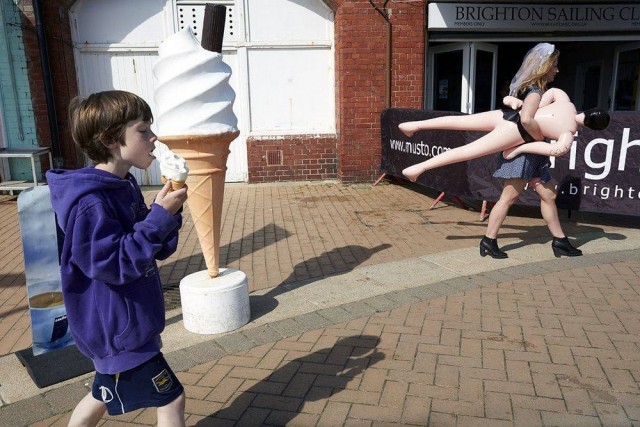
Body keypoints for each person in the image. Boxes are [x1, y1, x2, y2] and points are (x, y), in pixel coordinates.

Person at [46, 90, 188, 426]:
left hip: (127, 325)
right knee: (172, 399)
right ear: (111, 140)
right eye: (143, 130)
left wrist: (168, 215)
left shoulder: (125, 185)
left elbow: (155, 249)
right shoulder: (91, 204)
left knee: (101, 393)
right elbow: (113, 265)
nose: (154, 137)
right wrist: (157, 219)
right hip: (119, 332)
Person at [399, 44, 609, 183]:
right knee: (468, 151)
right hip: (515, 131)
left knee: (463, 121)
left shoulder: (561, 97)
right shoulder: (566, 130)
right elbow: (533, 124)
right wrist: (523, 146)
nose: (557, 70)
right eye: (554, 66)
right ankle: (419, 168)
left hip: (506, 116)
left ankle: (415, 125)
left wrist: (517, 104)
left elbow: (535, 110)